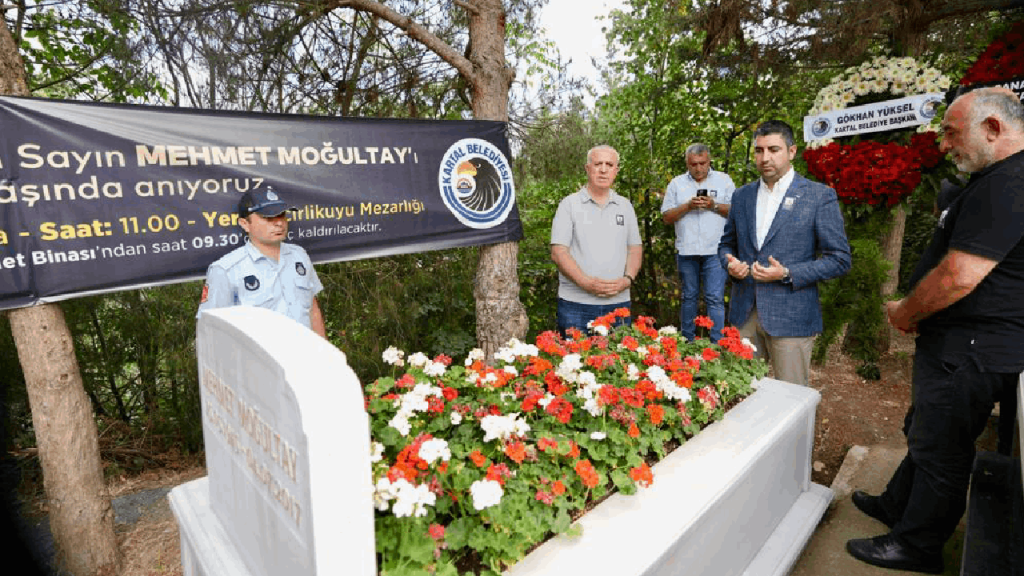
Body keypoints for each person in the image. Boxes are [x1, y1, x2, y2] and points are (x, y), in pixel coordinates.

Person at [846, 87, 1024, 574]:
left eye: (951, 132)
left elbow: (959, 275)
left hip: (972, 347)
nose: (944, 145)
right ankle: (896, 504)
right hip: (961, 344)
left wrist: (906, 313)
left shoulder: (1010, 182)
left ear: (993, 128)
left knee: (942, 445)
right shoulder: (995, 178)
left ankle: (916, 545)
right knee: (924, 429)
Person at [717, 120, 851, 386]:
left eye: (774, 149)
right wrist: (730, 263)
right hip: (744, 314)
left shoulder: (818, 196)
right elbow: (726, 245)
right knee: (737, 396)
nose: (765, 158)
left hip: (792, 316)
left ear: (792, 151)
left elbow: (839, 259)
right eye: (759, 150)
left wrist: (787, 273)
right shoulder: (742, 196)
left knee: (790, 402)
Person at [198, 187, 327, 338]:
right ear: (245, 224)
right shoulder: (226, 270)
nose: (279, 223)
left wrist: (325, 355)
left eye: (281, 215)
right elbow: (212, 330)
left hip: (306, 358)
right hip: (259, 361)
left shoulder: (299, 255)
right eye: (268, 217)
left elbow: (312, 309)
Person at [551, 145, 642, 335]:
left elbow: (634, 248)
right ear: (587, 168)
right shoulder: (569, 205)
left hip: (619, 304)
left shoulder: (625, 206)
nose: (603, 169)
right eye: (598, 163)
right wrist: (585, 283)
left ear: (616, 171)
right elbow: (559, 252)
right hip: (576, 305)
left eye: (609, 164)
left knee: (619, 363)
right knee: (574, 363)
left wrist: (627, 279)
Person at [661, 143, 735, 342]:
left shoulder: (724, 180)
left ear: (709, 161)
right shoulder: (677, 184)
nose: (698, 168)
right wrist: (687, 206)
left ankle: (717, 345)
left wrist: (713, 205)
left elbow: (736, 212)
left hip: (715, 250)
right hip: (687, 251)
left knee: (715, 298)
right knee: (688, 297)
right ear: (687, 163)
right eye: (693, 164)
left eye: (702, 163)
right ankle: (688, 342)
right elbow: (666, 217)